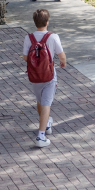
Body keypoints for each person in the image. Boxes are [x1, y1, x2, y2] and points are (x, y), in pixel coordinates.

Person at [22, 9, 67, 147]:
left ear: (35, 22)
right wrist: (63, 62)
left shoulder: (29, 38)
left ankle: (46, 123)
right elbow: (61, 55)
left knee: (40, 100)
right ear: (47, 22)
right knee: (47, 104)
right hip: (49, 75)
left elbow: (25, 57)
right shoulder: (53, 37)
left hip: (35, 76)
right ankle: (41, 136)